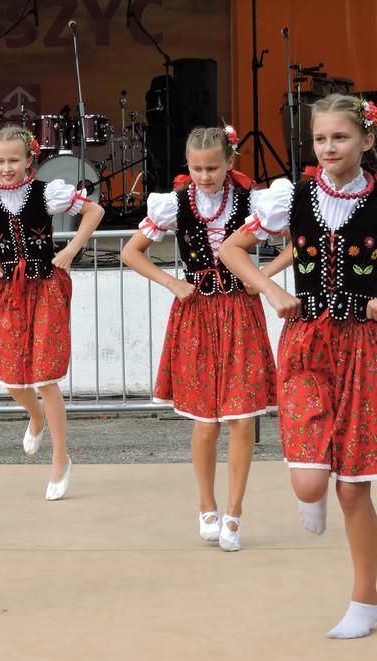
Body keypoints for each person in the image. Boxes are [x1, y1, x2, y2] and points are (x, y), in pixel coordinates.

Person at [220, 94, 377, 637]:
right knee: (310, 485)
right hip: (307, 344)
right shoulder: (294, 197)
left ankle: (364, 601)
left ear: (366, 140)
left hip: (363, 349)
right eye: (320, 138)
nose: (329, 147)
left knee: (353, 487)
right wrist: (269, 288)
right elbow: (232, 250)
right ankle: (314, 492)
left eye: (341, 137)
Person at [121, 126, 278, 551]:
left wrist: (262, 277)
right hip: (196, 316)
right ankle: (206, 504)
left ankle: (235, 512)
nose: (204, 176)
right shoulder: (175, 204)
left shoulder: (252, 202)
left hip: (240, 314)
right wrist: (172, 282)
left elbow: (299, 240)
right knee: (206, 422)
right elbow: (131, 252)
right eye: (196, 168)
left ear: (230, 163)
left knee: (242, 419)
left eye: (212, 168)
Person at [0, 124, 104, 501]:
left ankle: (60, 458)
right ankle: (36, 415)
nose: (6, 168)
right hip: (9, 291)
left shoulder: (45, 192)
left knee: (45, 376)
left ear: (29, 159)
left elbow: (94, 210)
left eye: (13, 160)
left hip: (45, 286)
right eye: (0, 161)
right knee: (13, 379)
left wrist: (70, 250)